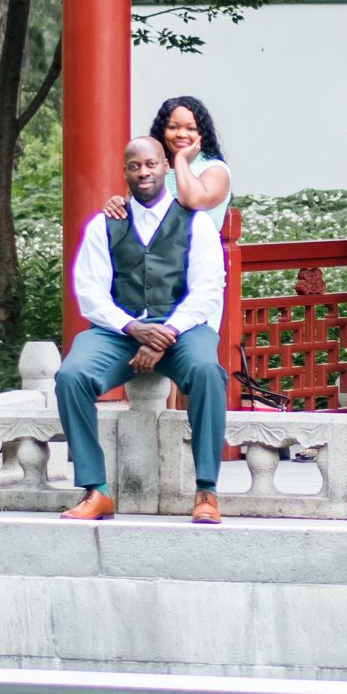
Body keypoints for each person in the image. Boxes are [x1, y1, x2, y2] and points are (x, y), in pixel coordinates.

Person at [55, 137, 229, 525]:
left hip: (183, 329)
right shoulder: (105, 224)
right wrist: (132, 327)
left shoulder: (196, 222)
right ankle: (96, 490)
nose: (143, 172)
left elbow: (208, 289)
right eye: (134, 166)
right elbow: (89, 291)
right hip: (120, 331)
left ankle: (206, 490)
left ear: (165, 167)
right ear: (125, 173)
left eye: (151, 164)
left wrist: (166, 332)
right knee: (71, 375)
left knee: (206, 372)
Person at [104, 95, 230, 222]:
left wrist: (181, 159)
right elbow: (135, 210)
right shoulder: (149, 169)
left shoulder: (215, 170)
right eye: (173, 127)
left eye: (191, 129)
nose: (181, 134)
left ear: (202, 134)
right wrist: (119, 205)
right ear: (162, 132)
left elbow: (193, 201)